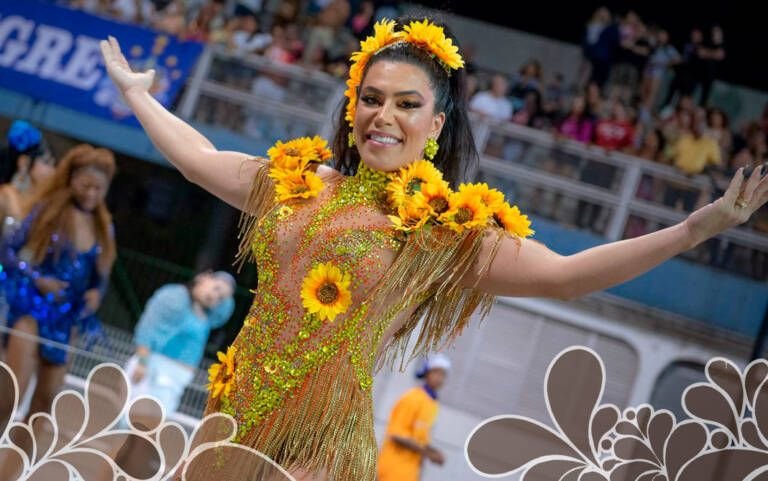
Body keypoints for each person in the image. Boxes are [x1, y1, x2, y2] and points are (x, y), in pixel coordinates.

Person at [100, 15, 767, 480]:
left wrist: (691, 230)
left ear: (436, 123)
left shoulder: (437, 229)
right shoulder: (294, 181)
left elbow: (565, 277)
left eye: (406, 103)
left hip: (318, 440)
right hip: (233, 407)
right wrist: (138, 97)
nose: (383, 115)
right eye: (371, 98)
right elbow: (201, 158)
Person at [0, 144, 116, 419]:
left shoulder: (104, 226)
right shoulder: (46, 211)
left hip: (66, 320)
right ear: (71, 179)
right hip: (31, 309)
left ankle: (17, 464)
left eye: (99, 188)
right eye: (86, 185)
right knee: (11, 394)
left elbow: (101, 277)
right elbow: (8, 250)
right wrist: (38, 279)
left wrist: (95, 294)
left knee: (45, 404)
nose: (91, 193)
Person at [124, 270, 235, 416]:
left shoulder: (207, 315)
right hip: (153, 367)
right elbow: (148, 327)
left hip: (176, 378)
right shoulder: (175, 296)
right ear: (203, 278)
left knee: (152, 426)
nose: (215, 296)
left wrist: (226, 291)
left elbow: (224, 312)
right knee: (134, 419)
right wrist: (142, 362)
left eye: (220, 298)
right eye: (216, 288)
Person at [377, 353, 450, 481]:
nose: (440, 378)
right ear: (426, 373)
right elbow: (396, 435)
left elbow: (420, 440)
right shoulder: (412, 398)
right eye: (437, 373)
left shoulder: (432, 404)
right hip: (392, 471)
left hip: (409, 474)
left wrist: (434, 452)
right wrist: (428, 453)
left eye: (443, 374)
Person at [0, 120, 57, 236]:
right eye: (46, 163)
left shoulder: (43, 204)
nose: (52, 171)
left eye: (53, 165)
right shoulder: (6, 195)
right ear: (24, 163)